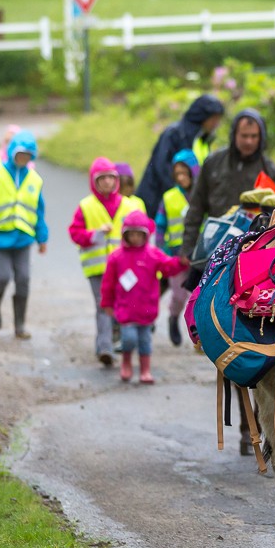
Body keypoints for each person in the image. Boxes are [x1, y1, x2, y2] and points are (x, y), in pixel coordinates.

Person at [179, 108, 275, 456]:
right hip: (216, 260)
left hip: (255, 264)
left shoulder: (270, 168)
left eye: (254, 137)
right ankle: (243, 426)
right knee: (227, 343)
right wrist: (187, 249)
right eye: (243, 136)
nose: (248, 142)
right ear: (234, 135)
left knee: (261, 344)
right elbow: (196, 209)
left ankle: (259, 423)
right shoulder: (214, 164)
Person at [0, 129, 48, 340]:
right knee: (2, 276)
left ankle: (19, 325)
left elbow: (39, 211)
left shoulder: (34, 179)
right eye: (20, 154)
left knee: (23, 279)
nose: (23, 159)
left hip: (23, 239)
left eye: (27, 155)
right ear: (12, 152)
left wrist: (42, 237)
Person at [68, 157, 146, 365]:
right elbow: (74, 233)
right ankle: (104, 348)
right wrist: (93, 235)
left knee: (124, 305)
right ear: (94, 182)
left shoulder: (129, 206)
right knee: (103, 306)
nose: (107, 183)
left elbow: (147, 230)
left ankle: (119, 340)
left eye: (111, 178)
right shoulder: (85, 206)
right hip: (97, 268)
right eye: (102, 179)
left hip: (124, 269)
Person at [101, 210, 186, 383]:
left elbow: (168, 266)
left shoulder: (152, 254)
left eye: (139, 235)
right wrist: (107, 303)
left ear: (145, 235)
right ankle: (126, 362)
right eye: (131, 234)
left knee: (145, 341)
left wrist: (181, 262)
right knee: (129, 339)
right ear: (125, 234)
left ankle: (145, 370)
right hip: (125, 310)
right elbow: (108, 284)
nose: (135, 238)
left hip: (146, 309)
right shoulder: (116, 257)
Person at [136, 94, 225, 217]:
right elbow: (162, 169)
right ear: (203, 117)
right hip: (157, 202)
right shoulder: (175, 134)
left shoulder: (202, 140)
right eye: (214, 119)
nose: (216, 124)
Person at [154, 149, 197, 346]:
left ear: (194, 172)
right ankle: (173, 318)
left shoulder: (201, 196)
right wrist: (161, 252)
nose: (181, 177)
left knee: (197, 296)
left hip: (199, 255)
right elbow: (160, 226)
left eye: (185, 173)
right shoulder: (169, 197)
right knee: (179, 295)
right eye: (177, 173)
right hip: (176, 256)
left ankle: (198, 334)